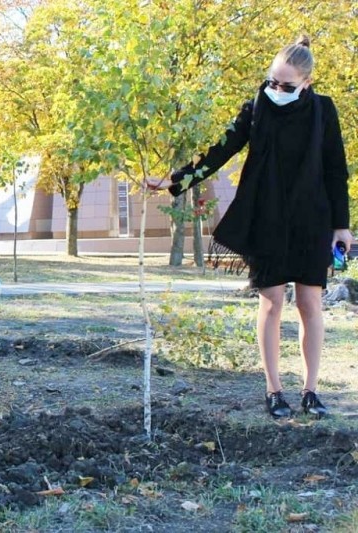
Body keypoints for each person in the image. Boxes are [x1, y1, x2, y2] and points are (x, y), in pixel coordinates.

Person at [148, 36, 353, 419]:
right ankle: (274, 391)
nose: (276, 90)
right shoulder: (257, 106)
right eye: (272, 81)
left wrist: (341, 225)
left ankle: (311, 391)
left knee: (310, 304)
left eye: (286, 85)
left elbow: (335, 169)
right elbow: (221, 150)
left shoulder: (324, 111)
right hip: (267, 217)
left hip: (312, 219)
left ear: (307, 82)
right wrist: (176, 181)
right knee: (272, 303)